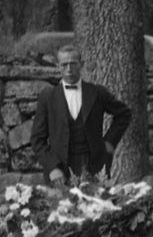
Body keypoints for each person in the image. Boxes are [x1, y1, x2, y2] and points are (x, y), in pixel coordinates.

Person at [30, 45, 132, 184]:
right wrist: (52, 167)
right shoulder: (48, 97)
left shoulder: (97, 93)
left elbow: (124, 114)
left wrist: (109, 142)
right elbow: (37, 139)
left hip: (94, 165)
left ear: (81, 64)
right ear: (58, 66)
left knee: (96, 205)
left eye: (73, 64)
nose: (69, 69)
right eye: (64, 65)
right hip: (60, 170)